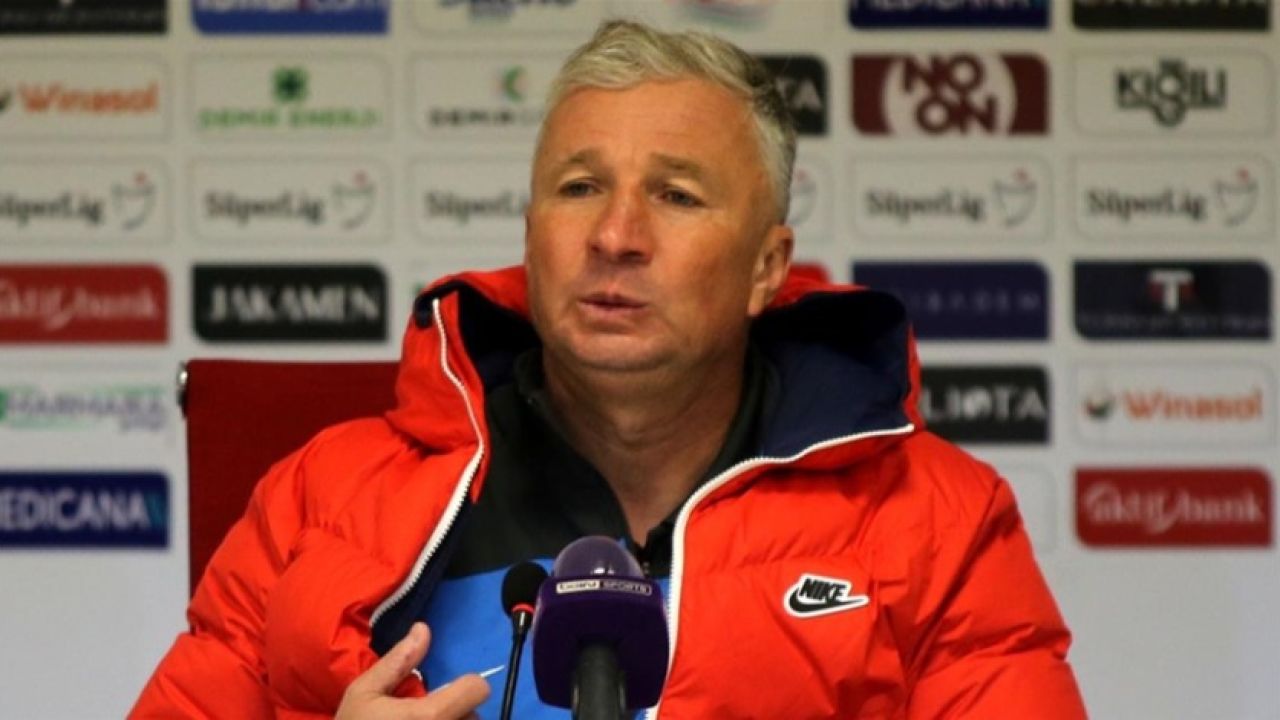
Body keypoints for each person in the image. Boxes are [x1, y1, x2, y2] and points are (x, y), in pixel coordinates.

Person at [133, 20, 1086, 719]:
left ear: (766, 267)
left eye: (676, 195)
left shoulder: (939, 524)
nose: (616, 235)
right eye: (580, 187)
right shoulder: (321, 498)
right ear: (530, 236)